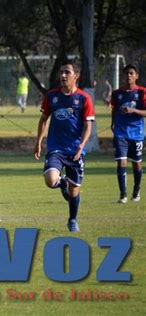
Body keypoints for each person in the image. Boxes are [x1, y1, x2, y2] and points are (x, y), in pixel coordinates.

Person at [34, 60, 95, 232]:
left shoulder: (83, 98)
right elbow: (44, 119)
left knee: (74, 191)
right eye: (61, 72)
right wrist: (38, 141)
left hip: (75, 151)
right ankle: (61, 183)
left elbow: (88, 125)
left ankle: (72, 220)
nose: (62, 76)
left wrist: (82, 146)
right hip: (56, 149)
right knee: (50, 180)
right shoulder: (52, 96)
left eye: (67, 72)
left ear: (76, 76)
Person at [110, 64, 146, 203]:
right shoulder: (117, 93)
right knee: (121, 162)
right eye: (126, 73)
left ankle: (136, 190)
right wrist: (112, 123)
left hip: (136, 133)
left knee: (136, 164)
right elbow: (114, 109)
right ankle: (123, 194)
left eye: (131, 73)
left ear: (136, 76)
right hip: (120, 133)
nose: (128, 76)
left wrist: (134, 111)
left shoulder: (142, 92)